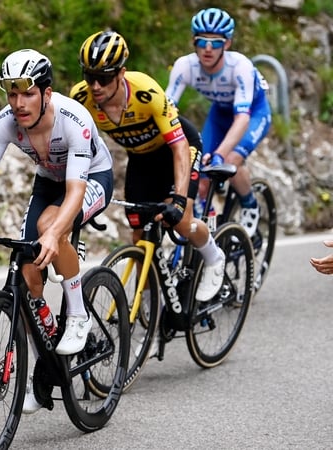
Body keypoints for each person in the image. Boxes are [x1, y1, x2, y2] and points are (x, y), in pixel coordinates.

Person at [0, 49, 115, 413]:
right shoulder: (6, 121)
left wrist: (53, 233)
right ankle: (43, 367)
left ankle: (78, 314)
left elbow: (75, 191)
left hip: (91, 178)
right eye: (12, 94)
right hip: (49, 181)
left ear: (46, 93)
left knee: (50, 227)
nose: (19, 103)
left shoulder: (73, 119)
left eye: (28, 93)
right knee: (26, 273)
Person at [70, 31, 225, 305]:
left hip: (177, 148)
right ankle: (152, 301)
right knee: (139, 234)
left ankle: (214, 257)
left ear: (121, 74)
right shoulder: (81, 98)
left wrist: (179, 200)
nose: (95, 86)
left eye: (103, 78)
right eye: (89, 76)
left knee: (181, 220)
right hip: (141, 158)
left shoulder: (146, 92)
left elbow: (179, 147)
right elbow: (82, 149)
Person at [165, 7, 272, 237]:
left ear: (228, 44)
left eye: (215, 42)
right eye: (202, 41)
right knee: (202, 175)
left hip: (253, 113)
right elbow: (166, 110)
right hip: (220, 114)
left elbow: (242, 118)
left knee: (230, 161)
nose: (208, 48)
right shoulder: (185, 66)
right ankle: (210, 227)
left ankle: (250, 205)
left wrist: (220, 154)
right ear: (193, 41)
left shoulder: (240, 66)